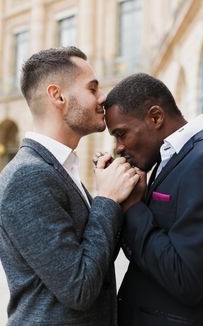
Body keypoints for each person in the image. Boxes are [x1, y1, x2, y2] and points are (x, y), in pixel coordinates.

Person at [0, 47, 140, 326]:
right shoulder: (27, 177)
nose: (103, 98)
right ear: (58, 96)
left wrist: (123, 199)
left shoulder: (60, 166)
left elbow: (94, 256)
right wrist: (107, 200)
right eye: (92, 89)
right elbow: (79, 287)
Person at [103, 72, 203, 326]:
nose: (118, 147)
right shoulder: (170, 157)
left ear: (155, 117)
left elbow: (187, 278)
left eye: (121, 134)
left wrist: (133, 207)